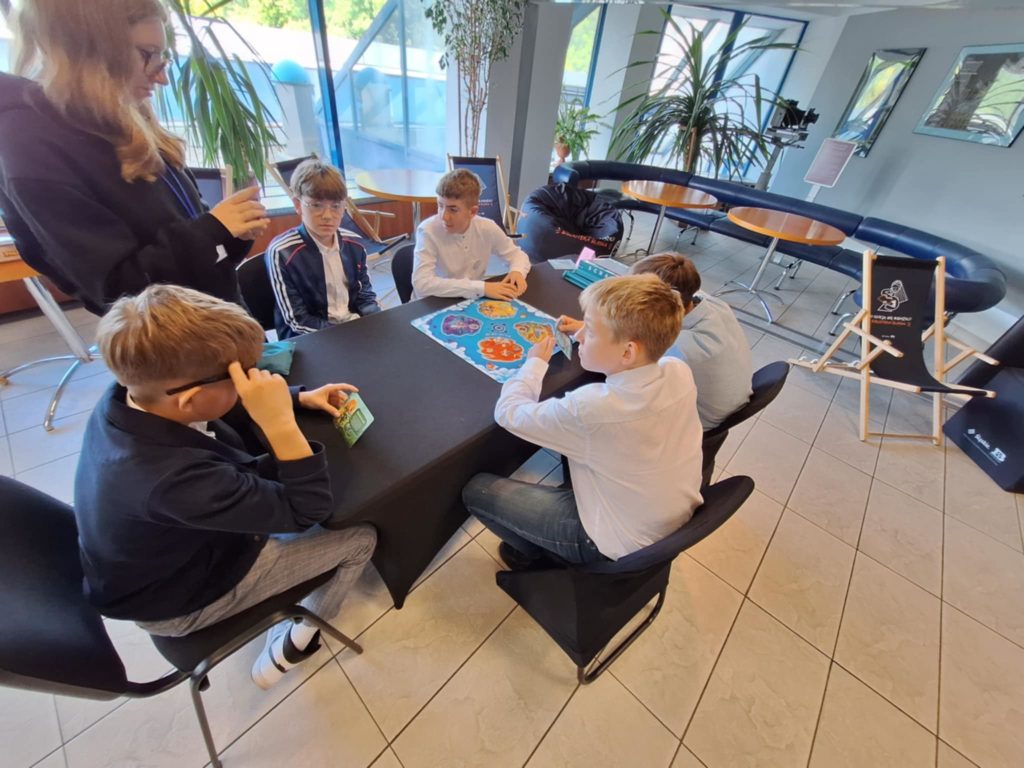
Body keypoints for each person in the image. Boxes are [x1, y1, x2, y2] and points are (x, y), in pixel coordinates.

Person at [74, 284, 376, 690]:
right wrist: (279, 423)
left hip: (162, 555)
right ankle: (300, 636)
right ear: (189, 399)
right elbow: (307, 511)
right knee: (360, 537)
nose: (254, 381)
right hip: (179, 601)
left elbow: (211, 403)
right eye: (241, 376)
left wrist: (295, 398)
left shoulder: (132, 394)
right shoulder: (170, 481)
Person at [0, 0, 270, 314]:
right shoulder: (32, 145)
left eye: (161, 56)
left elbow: (190, 243)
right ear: (90, 48)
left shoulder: (125, 119)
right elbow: (118, 289)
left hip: (219, 318)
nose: (161, 77)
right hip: (170, 336)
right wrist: (212, 231)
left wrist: (229, 234)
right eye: (147, 54)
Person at [462, 274, 703, 567]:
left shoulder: (592, 409)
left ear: (628, 351)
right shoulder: (677, 369)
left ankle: (533, 556)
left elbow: (508, 414)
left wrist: (534, 363)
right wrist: (593, 332)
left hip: (610, 542)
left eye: (590, 330)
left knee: (477, 489)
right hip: (665, 520)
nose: (579, 336)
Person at [559, 252, 753, 429]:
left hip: (695, 422)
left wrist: (597, 334)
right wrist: (589, 328)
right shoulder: (713, 303)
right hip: (728, 400)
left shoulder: (679, 348)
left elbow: (622, 364)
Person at [265, 157, 379, 339]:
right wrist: (344, 334)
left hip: (351, 327)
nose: (327, 215)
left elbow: (364, 293)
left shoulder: (355, 244)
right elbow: (297, 319)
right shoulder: (281, 252)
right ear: (297, 205)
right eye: (316, 205)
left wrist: (375, 319)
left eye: (336, 206)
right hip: (309, 337)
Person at [412, 168, 531, 300]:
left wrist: (517, 271)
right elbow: (422, 283)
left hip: (469, 300)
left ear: (473, 212)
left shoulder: (487, 228)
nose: (444, 216)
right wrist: (481, 288)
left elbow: (517, 255)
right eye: (440, 206)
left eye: (453, 209)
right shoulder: (427, 230)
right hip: (434, 301)